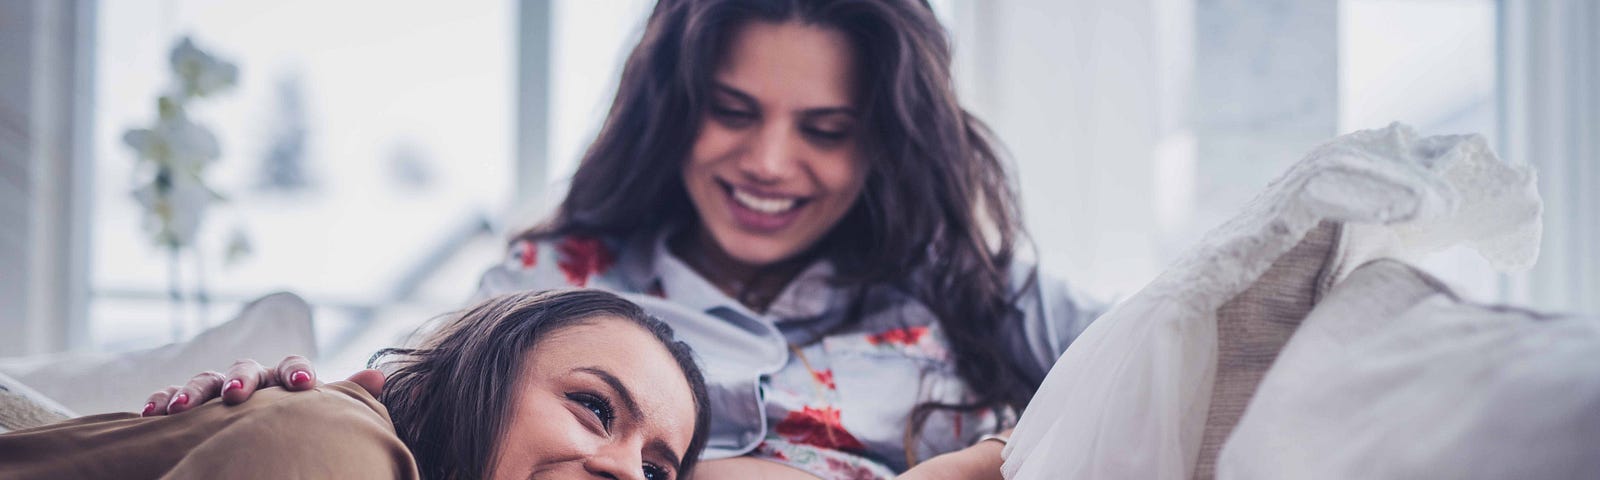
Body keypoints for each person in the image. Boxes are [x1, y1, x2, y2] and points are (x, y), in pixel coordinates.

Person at [145, 0, 1104, 478]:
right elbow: (408, 410)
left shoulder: (974, 288)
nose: (770, 162)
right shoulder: (554, 277)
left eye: (825, 129)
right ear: (674, 109)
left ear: (882, 144)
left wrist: (1002, 458)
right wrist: (273, 413)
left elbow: (1189, 346)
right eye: (733, 111)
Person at [2, 289, 712, 480]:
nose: (625, 469)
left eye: (657, 473)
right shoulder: (334, 444)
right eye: (594, 407)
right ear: (467, 381)